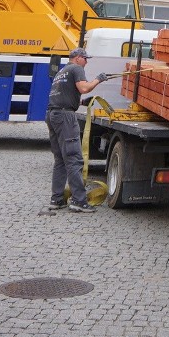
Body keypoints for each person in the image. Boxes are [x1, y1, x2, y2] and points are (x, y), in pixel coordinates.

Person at [45, 48, 109, 213]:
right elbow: (84, 88)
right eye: (85, 59)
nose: (86, 62)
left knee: (60, 159)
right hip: (65, 117)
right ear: (78, 58)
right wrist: (98, 79)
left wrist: (80, 103)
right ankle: (79, 201)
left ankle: (57, 199)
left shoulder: (62, 71)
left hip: (52, 114)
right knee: (73, 159)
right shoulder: (76, 68)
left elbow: (64, 95)